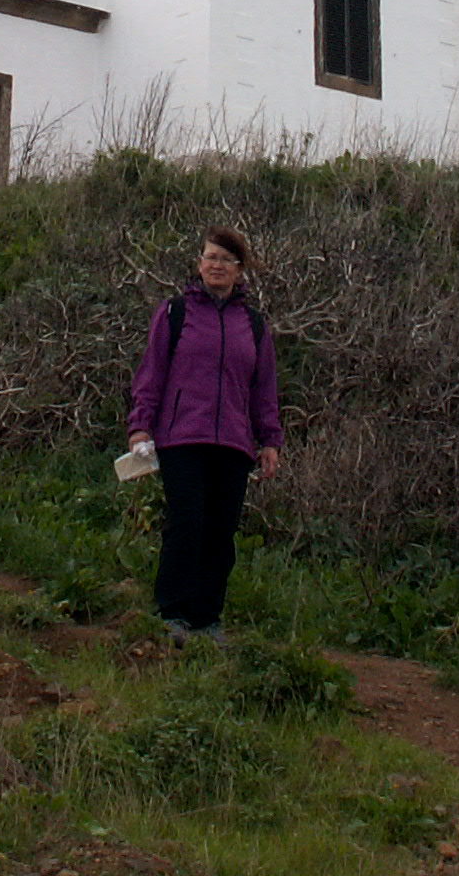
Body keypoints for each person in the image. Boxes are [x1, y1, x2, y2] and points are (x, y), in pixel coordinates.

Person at [125, 226, 282, 640]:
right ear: (199, 264)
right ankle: (172, 614)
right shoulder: (175, 313)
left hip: (233, 443)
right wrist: (140, 427)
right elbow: (151, 375)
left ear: (239, 270)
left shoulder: (254, 325)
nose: (216, 266)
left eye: (225, 260)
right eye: (210, 257)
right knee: (187, 523)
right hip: (181, 438)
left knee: (220, 530)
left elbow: (264, 388)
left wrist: (270, 440)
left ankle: (207, 618)